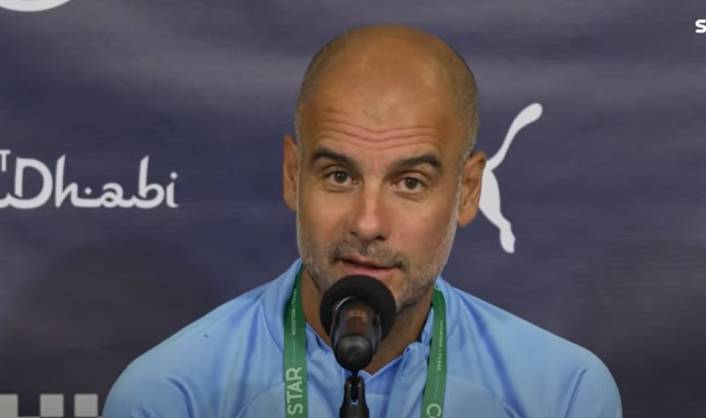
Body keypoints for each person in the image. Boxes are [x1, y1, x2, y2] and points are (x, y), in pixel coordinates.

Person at [103, 24, 622, 418]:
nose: (368, 223)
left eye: (410, 183)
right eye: (339, 176)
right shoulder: (169, 397)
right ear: (293, 175)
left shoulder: (564, 395)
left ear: (468, 192)